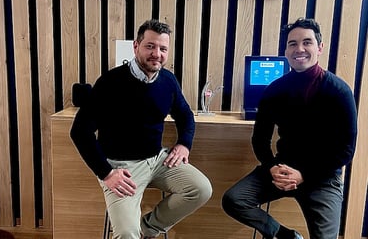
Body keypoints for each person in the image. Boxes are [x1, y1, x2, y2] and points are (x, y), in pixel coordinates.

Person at [70, 19, 212, 239]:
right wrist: (106, 173)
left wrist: (184, 143)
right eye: (150, 46)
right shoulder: (110, 82)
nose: (157, 53)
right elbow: (79, 132)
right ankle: (136, 230)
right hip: (121, 167)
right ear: (136, 46)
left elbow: (185, 115)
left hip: (157, 160)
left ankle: (149, 228)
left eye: (163, 49)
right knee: (127, 234)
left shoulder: (168, 80)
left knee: (201, 189)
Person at [222, 18, 358, 239]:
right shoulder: (275, 90)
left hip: (322, 176)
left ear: (320, 48)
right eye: (293, 44)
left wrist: (304, 175)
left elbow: (346, 150)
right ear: (286, 50)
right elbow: (260, 140)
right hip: (283, 169)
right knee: (234, 199)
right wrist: (272, 167)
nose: (300, 49)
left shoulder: (339, 92)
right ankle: (284, 235)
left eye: (307, 42)